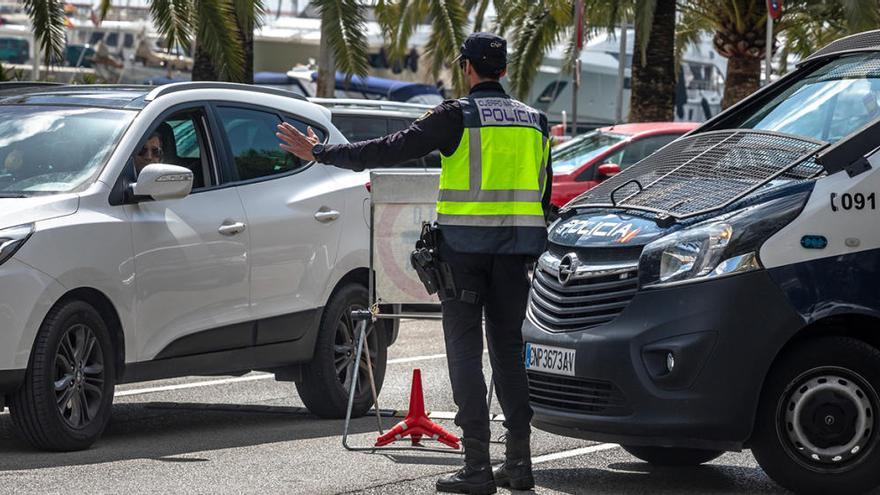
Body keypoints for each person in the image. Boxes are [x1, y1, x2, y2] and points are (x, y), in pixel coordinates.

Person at [277, 32, 551, 495]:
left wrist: (320, 152)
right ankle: (519, 465)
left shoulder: (456, 115)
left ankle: (477, 468)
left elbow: (387, 148)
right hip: (517, 256)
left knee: (465, 356)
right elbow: (543, 192)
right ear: (503, 70)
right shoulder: (536, 122)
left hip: (463, 256)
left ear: (466, 67)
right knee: (509, 356)